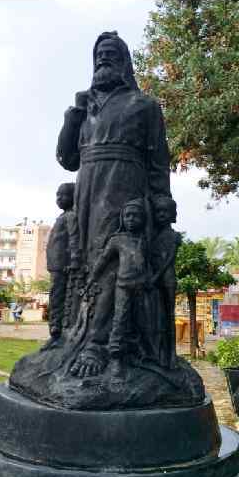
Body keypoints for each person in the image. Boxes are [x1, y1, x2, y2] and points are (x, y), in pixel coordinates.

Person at [56, 32, 172, 376]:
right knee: (85, 263)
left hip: (124, 188)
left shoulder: (144, 105)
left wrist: (161, 204)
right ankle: (74, 333)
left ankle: (98, 344)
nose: (103, 60)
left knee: (110, 261)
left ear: (124, 63)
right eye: (99, 55)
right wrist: (74, 114)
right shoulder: (85, 108)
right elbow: (67, 160)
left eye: (110, 54)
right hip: (87, 189)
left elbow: (159, 162)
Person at [75, 199, 148, 380]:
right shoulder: (118, 240)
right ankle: (116, 358)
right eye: (128, 215)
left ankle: (138, 354)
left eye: (136, 216)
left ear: (143, 219)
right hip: (123, 286)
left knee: (141, 321)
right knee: (119, 321)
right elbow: (103, 261)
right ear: (122, 218)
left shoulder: (144, 240)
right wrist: (91, 279)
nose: (131, 219)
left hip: (142, 288)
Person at [43, 182, 80, 349]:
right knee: (55, 297)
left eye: (63, 195)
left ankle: (56, 332)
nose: (59, 199)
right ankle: (55, 330)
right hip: (55, 265)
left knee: (57, 298)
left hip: (62, 265)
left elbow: (74, 238)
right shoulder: (62, 217)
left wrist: (75, 259)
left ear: (73, 197)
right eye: (57, 195)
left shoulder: (71, 216)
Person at [150, 195, 182, 369]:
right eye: (158, 211)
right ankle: (159, 354)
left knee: (169, 317)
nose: (161, 215)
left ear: (172, 214)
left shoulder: (174, 236)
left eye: (165, 211)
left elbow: (169, 260)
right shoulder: (152, 235)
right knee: (157, 317)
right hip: (155, 279)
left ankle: (171, 355)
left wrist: (156, 276)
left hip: (166, 279)